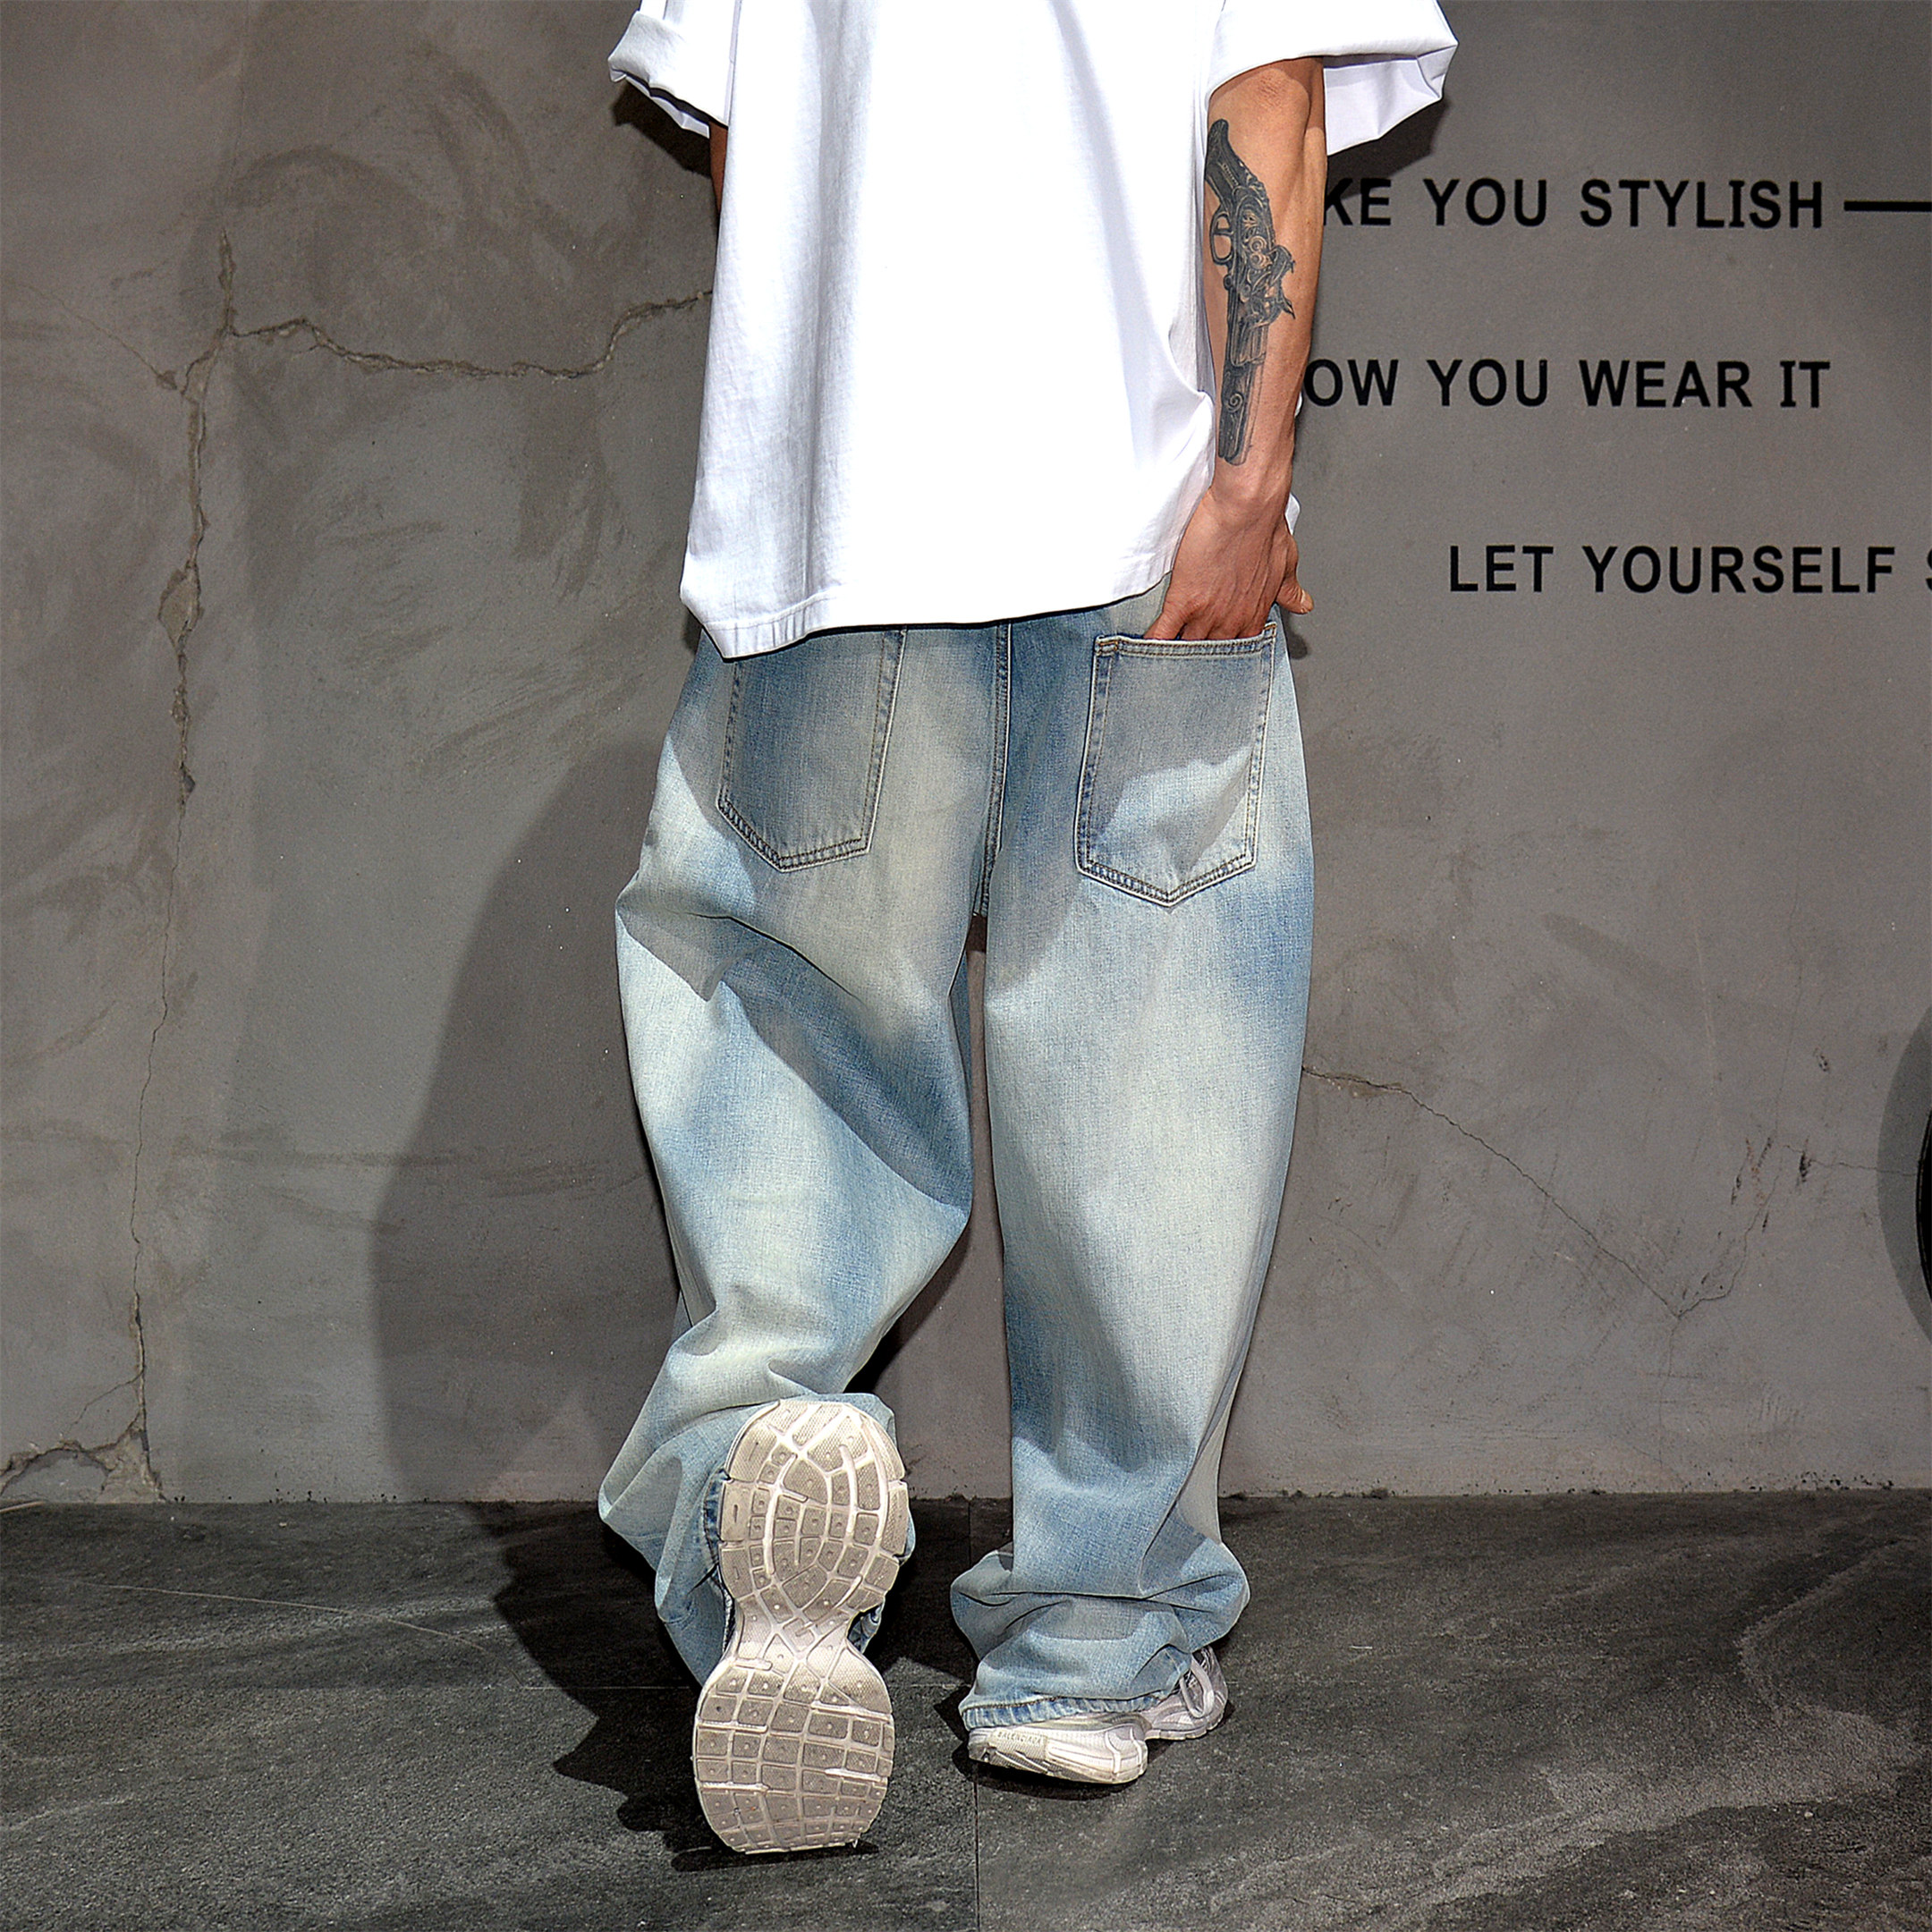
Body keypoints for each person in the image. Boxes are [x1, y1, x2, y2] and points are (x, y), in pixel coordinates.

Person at [599, 0, 1456, 1856]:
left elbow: (747, 137)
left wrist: (819, 462)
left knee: (792, 1060)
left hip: (840, 538)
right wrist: (1250, 481)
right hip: (1138, 530)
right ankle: (1090, 1643)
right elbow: (1269, 104)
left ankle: (760, 1494)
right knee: (1152, 1103)